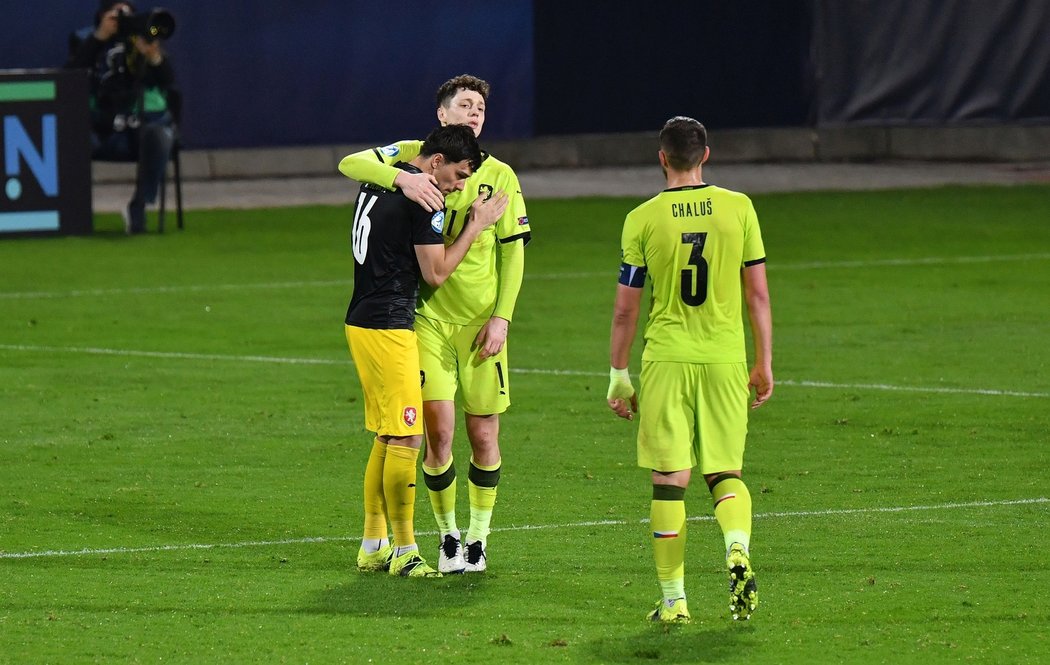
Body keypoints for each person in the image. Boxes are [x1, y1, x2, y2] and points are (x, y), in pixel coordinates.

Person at [339, 75, 530, 574]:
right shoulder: (417, 174)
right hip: (416, 320)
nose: (474, 113)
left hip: (472, 325)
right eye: (465, 105)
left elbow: (514, 256)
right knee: (419, 434)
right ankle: (429, 543)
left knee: (453, 434)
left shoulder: (502, 177)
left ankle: (469, 540)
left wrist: (502, 317)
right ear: (442, 116)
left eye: (481, 108)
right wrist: (406, 179)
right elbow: (348, 162)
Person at [606, 116, 773, 623]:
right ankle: (737, 546)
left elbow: (625, 309)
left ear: (662, 158)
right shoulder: (739, 208)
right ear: (706, 155)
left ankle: (674, 601)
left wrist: (618, 372)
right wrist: (763, 362)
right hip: (725, 358)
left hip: (668, 359)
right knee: (725, 471)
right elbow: (758, 294)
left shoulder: (642, 218)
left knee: (668, 478)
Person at [65, 1, 176, 234]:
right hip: (102, 130)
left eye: (127, 15)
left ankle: (139, 206)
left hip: (139, 130)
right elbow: (70, 78)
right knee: (72, 137)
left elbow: (169, 82)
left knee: (160, 135)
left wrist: (152, 53)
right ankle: (74, 215)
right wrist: (100, 37)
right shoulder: (87, 42)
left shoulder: (141, 40)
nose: (121, 20)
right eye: (115, 14)